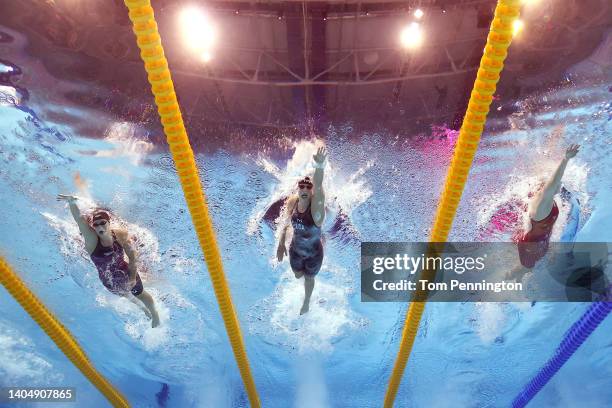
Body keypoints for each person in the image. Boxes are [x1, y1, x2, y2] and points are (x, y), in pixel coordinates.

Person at [57, 194, 160, 327]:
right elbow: (80, 220)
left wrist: (133, 277)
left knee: (141, 294)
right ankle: (142, 309)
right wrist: (72, 202)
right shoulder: (92, 241)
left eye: (103, 223)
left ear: (109, 223)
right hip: (109, 281)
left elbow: (133, 255)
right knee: (127, 297)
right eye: (96, 224)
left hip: (127, 273)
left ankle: (154, 314)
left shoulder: (119, 234)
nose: (99, 226)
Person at [507, 142, 580, 281]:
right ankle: (512, 275)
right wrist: (565, 159)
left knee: (532, 266)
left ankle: (518, 273)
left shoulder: (545, 200)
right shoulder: (541, 206)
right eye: (555, 184)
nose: (560, 184)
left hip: (540, 242)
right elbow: (552, 183)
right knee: (527, 267)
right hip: (530, 247)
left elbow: (552, 184)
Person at [276, 146, 327, 315]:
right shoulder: (292, 202)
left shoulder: (316, 208)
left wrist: (319, 167)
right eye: (302, 186)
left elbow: (319, 186)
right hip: (295, 250)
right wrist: (281, 243)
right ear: (298, 188)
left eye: (308, 187)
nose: (305, 189)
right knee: (298, 275)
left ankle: (306, 301)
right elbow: (284, 222)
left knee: (309, 278)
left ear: (311, 191)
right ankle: (301, 278)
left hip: (314, 254)